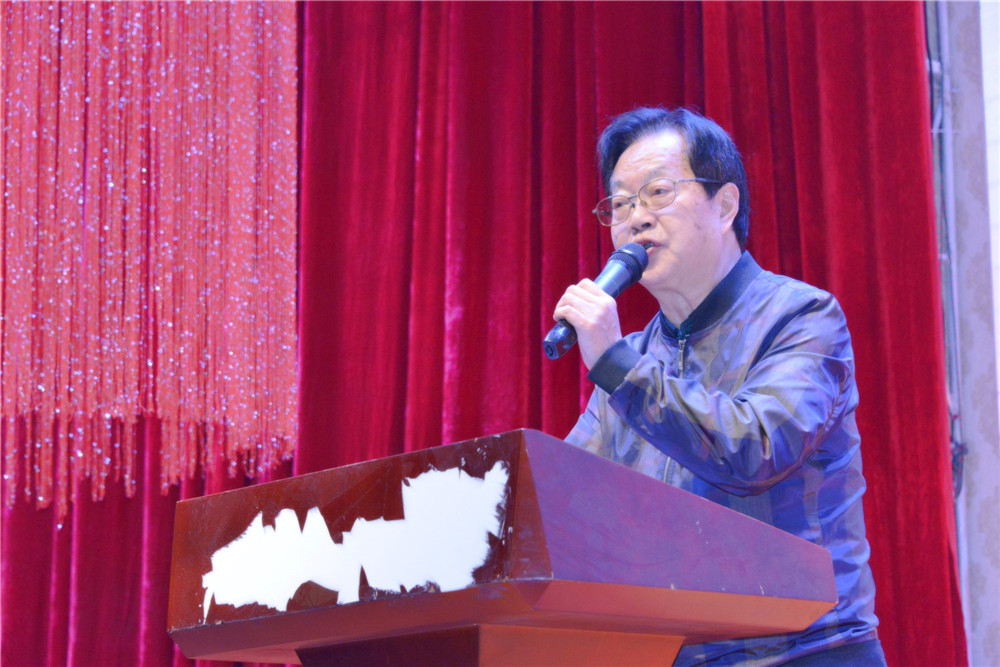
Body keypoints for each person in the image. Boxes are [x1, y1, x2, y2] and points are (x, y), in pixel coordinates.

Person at [552, 107, 885, 666]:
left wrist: (615, 363)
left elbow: (754, 450)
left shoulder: (802, 317)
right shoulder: (633, 357)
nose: (635, 219)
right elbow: (567, 497)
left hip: (808, 651)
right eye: (621, 204)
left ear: (725, 205)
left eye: (657, 193)